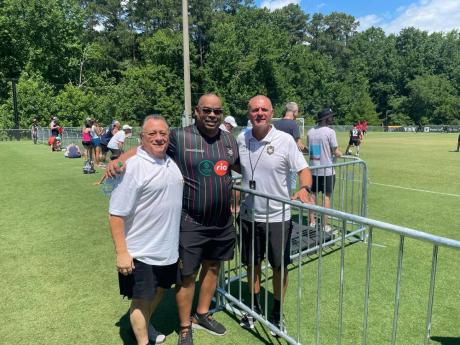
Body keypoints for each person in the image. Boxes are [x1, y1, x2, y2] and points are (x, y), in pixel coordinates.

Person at [106, 93, 240, 345]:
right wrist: (119, 160)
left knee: (211, 268)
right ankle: (185, 327)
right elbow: (146, 145)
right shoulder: (178, 136)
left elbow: (243, 167)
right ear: (197, 112)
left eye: (217, 111)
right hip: (189, 223)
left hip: (220, 223)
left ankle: (201, 314)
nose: (212, 115)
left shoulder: (229, 140)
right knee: (186, 276)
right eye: (207, 110)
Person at [237, 95, 312, 335]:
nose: (259, 113)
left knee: (279, 267)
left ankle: (277, 313)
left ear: (272, 113)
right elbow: (240, 166)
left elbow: (304, 170)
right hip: (249, 215)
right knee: (252, 264)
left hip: (278, 217)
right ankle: (253, 307)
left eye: (264, 110)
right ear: (248, 113)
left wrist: (304, 188)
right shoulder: (241, 138)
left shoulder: (285, 140)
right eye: (254, 110)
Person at [109, 115, 183, 345]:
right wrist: (122, 252)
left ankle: (145, 325)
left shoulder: (170, 160)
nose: (159, 138)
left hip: (167, 249)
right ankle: (143, 341)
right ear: (142, 138)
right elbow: (116, 214)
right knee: (141, 300)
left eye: (163, 133)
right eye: (152, 134)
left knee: (160, 291)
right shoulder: (133, 167)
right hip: (141, 251)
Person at [307, 108, 342, 233]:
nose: (332, 119)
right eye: (331, 117)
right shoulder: (330, 132)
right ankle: (325, 225)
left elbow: (313, 151)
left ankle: (312, 222)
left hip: (313, 170)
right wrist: (341, 154)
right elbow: (335, 151)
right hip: (327, 170)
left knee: (312, 196)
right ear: (326, 118)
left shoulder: (310, 131)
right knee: (326, 197)